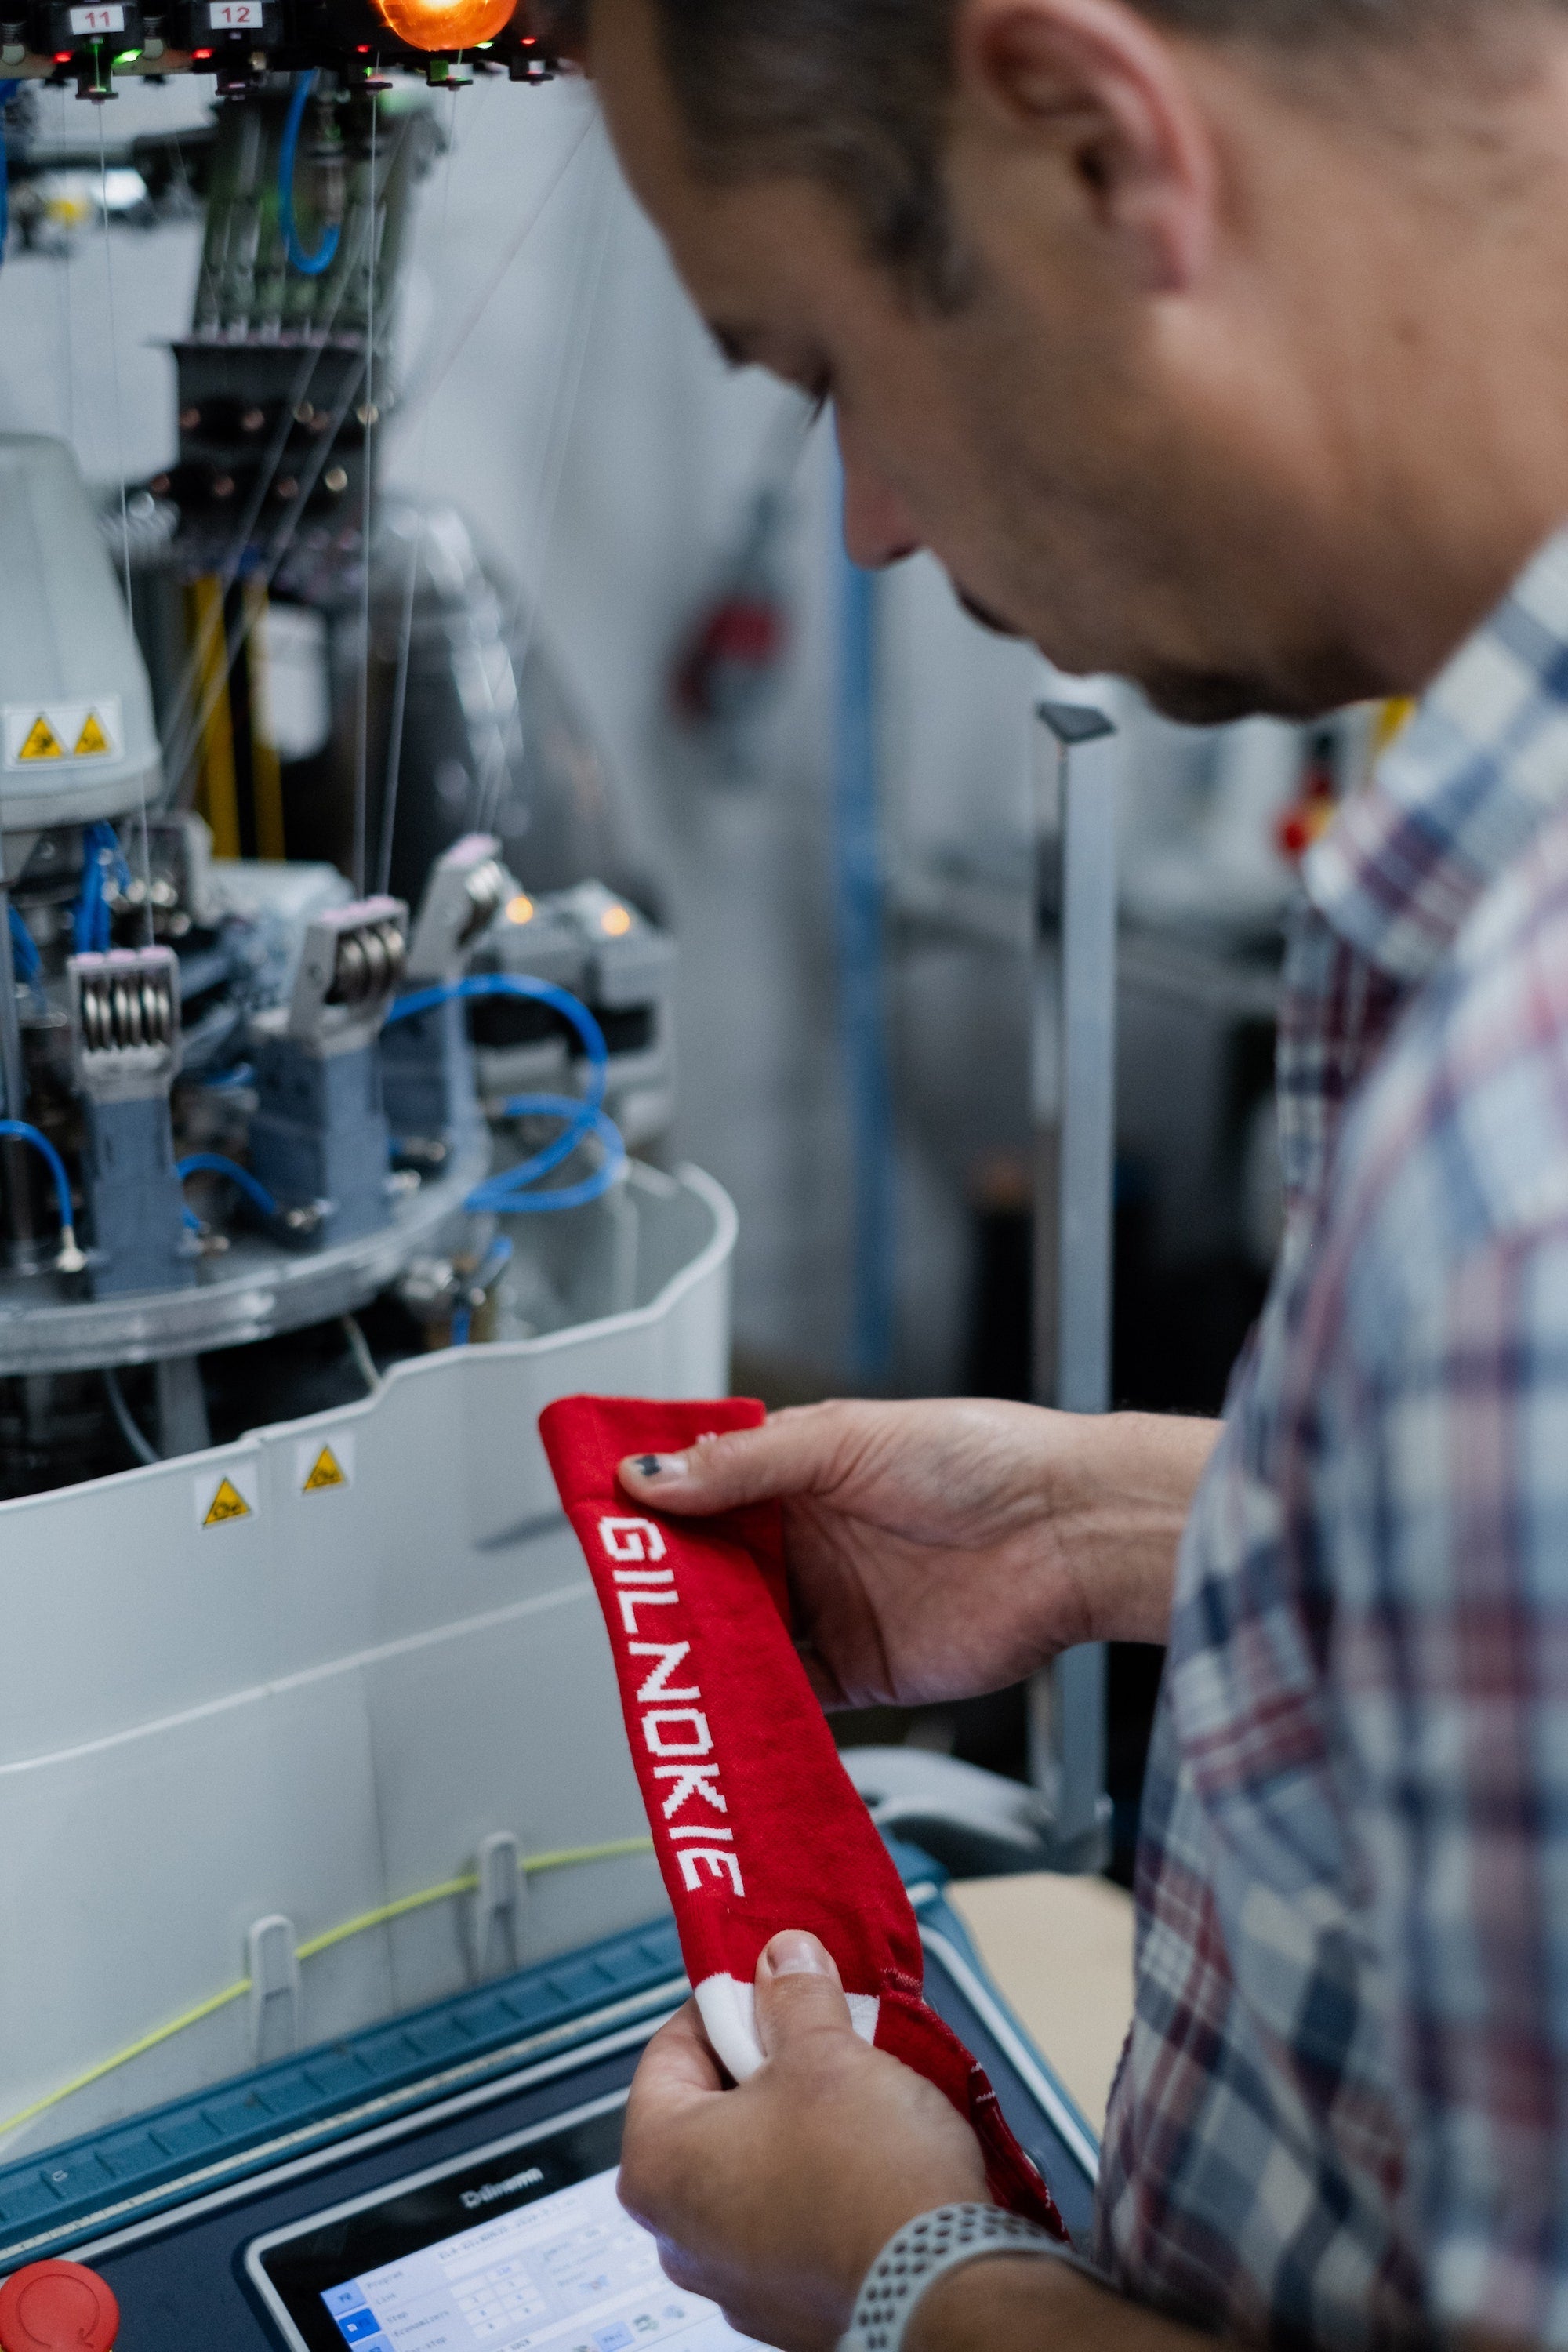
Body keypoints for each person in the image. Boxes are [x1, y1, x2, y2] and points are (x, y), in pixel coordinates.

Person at [568, 1, 1568, 2345]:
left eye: (823, 363)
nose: (874, 522)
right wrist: (1126, 1522)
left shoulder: (1518, 1184)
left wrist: (909, 2276)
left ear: (1102, 148)